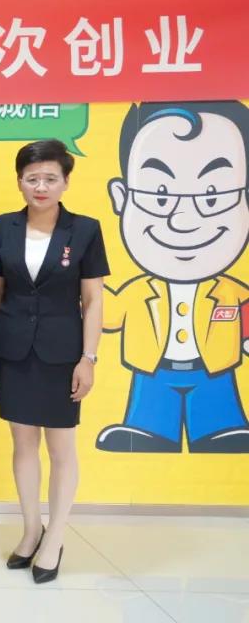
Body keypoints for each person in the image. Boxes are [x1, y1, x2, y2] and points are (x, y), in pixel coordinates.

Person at [0, 139, 108, 584]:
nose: (41, 186)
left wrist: (88, 358)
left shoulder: (85, 229)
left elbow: (93, 300)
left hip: (62, 354)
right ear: (19, 181)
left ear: (66, 182)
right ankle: (30, 530)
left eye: (50, 178)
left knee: (61, 449)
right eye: (32, 178)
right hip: (13, 349)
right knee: (23, 445)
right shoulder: (2, 227)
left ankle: (54, 537)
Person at [98, 101, 249, 453]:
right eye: (160, 196)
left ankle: (222, 429)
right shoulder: (138, 292)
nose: (183, 221)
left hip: (213, 369)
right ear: (121, 198)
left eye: (212, 197)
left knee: (219, 413)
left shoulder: (230, 291)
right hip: (154, 369)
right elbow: (107, 312)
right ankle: (146, 430)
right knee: (148, 413)